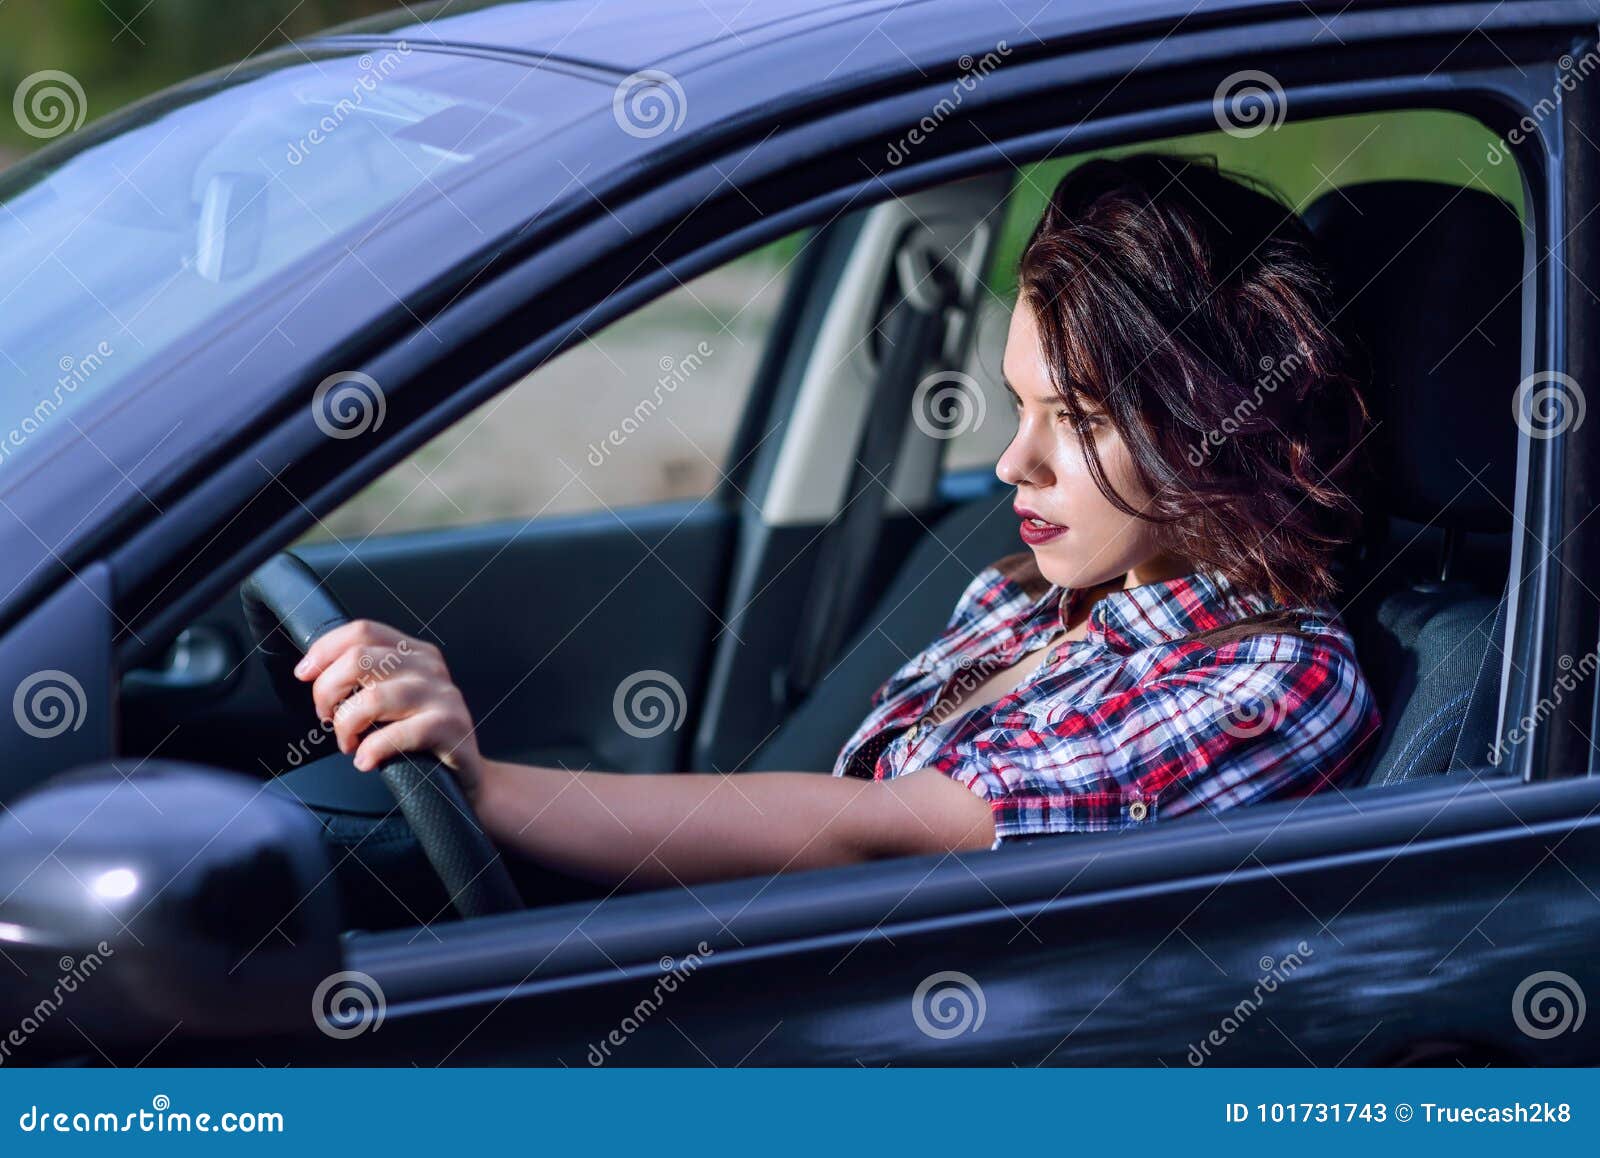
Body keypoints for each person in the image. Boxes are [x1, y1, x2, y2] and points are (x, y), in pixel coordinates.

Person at [291, 153, 1381, 889]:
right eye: (1018, 404)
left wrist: (488, 787)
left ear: (1220, 420)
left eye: (1081, 418)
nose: (1013, 460)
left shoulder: (1273, 679)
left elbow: (875, 833)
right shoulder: (1026, 594)